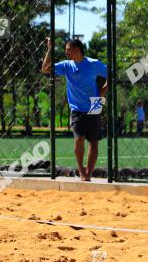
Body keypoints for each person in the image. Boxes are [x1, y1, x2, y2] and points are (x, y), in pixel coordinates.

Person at [41, 37, 108, 182]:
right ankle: (81, 170)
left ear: (77, 50)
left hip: (95, 103)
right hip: (76, 107)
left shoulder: (93, 64)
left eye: (67, 50)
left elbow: (112, 75)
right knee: (79, 139)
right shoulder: (66, 65)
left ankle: (89, 173)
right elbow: (45, 69)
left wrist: (101, 93)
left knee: (94, 142)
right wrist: (50, 49)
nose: (66, 53)